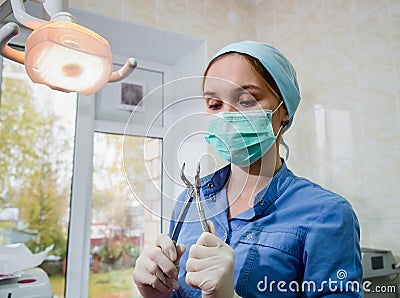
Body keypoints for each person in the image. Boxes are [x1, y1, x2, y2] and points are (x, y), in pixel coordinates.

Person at [133, 40, 363, 297]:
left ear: (284, 110)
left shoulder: (327, 214)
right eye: (214, 105)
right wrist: (156, 292)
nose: (227, 117)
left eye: (246, 100)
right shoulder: (190, 198)